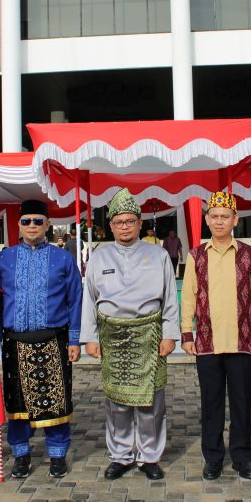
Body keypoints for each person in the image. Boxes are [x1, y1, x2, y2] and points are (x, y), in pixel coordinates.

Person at [81, 188, 179, 481]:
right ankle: (121, 456)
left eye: (129, 221)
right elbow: (89, 298)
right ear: (111, 225)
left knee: (152, 402)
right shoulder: (99, 256)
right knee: (117, 404)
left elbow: (170, 298)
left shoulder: (158, 254)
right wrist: (90, 337)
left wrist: (169, 333)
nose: (124, 226)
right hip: (112, 336)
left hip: (150, 334)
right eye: (119, 221)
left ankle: (150, 457)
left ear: (139, 223)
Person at [180, 191, 251, 481]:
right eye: (214, 216)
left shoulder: (248, 253)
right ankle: (213, 458)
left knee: (241, 402)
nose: (219, 221)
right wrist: (186, 333)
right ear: (207, 220)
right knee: (211, 404)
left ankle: (242, 457)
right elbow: (189, 297)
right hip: (207, 341)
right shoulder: (196, 255)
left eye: (225, 217)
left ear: (235, 220)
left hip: (243, 339)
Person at [0, 199, 83, 479]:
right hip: (14, 342)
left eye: (37, 221)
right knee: (17, 405)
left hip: (53, 341)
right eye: (26, 221)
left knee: (55, 402)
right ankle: (21, 455)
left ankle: (57, 455)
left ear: (47, 225)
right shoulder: (4, 259)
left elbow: (75, 299)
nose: (32, 226)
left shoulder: (63, 259)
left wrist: (74, 339)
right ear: (18, 225)